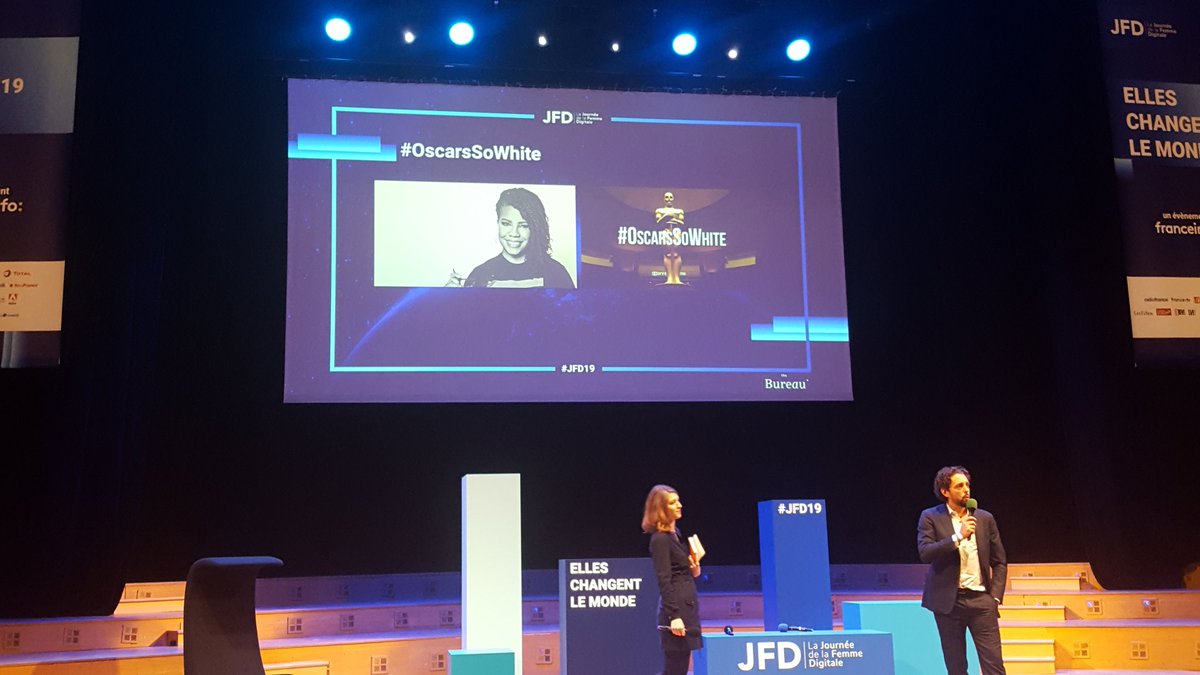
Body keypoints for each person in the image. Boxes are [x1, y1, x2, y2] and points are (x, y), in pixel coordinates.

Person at [917, 466, 1008, 675]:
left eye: (967, 485)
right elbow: (925, 552)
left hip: (982, 601)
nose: (966, 489)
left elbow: (1000, 561)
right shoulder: (930, 517)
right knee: (956, 667)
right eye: (959, 486)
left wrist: (994, 597)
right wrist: (958, 536)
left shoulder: (985, 518)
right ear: (945, 491)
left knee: (994, 665)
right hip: (949, 603)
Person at [642, 484, 703, 675]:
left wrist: (695, 566)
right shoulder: (660, 540)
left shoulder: (676, 534)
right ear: (661, 508)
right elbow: (664, 579)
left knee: (680, 668)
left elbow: (689, 573)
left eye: (678, 501)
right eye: (672, 502)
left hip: (687, 607)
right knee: (674, 669)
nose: (679, 505)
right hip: (676, 612)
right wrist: (674, 616)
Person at [460, 187, 575, 288]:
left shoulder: (556, 273)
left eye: (524, 225)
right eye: (506, 224)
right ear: (498, 223)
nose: (514, 233)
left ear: (535, 228)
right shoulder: (480, 274)